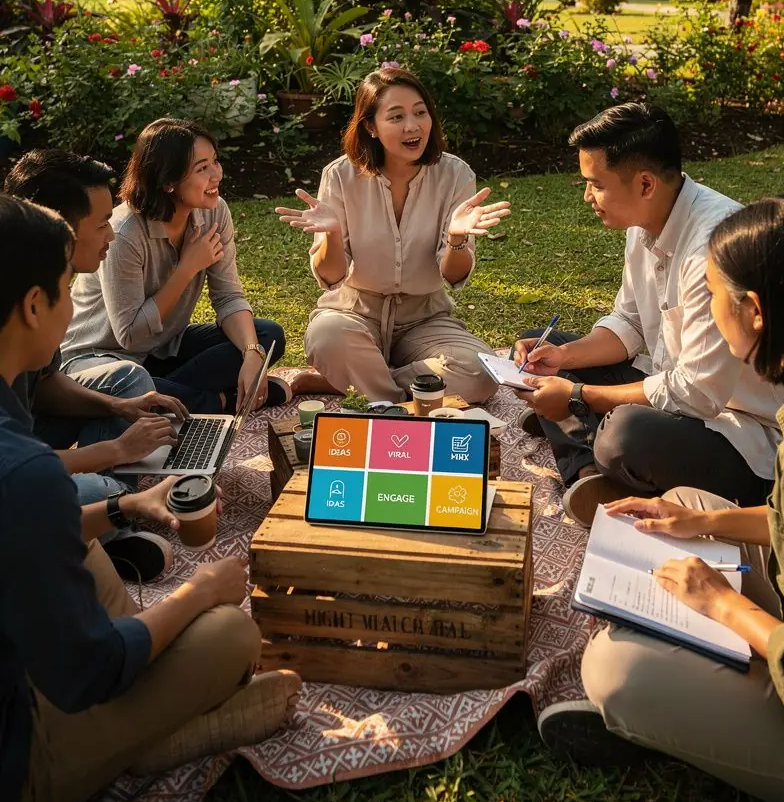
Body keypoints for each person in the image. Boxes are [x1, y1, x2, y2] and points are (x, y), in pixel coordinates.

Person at [0, 194, 300, 802]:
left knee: (83, 540)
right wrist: (200, 592)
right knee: (232, 633)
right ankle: (151, 738)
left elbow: (23, 533)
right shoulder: (25, 471)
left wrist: (123, 510)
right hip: (15, 768)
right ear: (33, 306)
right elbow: (93, 671)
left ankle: (137, 723)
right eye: (65, 289)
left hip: (25, 662)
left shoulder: (18, 449)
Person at [538, 195, 784, 802]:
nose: (706, 315)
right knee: (679, 506)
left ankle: (662, 715)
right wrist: (707, 521)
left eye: (713, 296)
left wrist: (722, 603)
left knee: (614, 670)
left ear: (754, 311)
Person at [514, 103, 784, 527]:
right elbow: (630, 323)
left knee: (625, 435)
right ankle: (589, 471)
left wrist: (579, 395)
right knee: (548, 349)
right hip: (671, 389)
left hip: (740, 431)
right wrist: (564, 359)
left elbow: (696, 393)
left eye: (595, 185)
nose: (587, 197)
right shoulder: (644, 221)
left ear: (644, 183)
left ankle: (581, 436)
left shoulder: (716, 248)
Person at [4, 149, 189, 580]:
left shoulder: (35, 292)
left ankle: (103, 523)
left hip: (27, 446)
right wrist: (115, 451)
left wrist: (116, 407)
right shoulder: (29, 305)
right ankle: (108, 521)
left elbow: (44, 384)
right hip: (17, 474)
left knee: (127, 380)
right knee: (84, 490)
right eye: (103, 223)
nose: (112, 235)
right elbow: (16, 467)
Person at [276, 66, 510, 404]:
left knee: (480, 373)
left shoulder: (455, 174)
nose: (412, 126)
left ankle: (359, 383)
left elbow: (452, 275)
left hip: (425, 319)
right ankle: (402, 393)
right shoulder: (340, 176)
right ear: (370, 126)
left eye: (420, 113)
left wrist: (457, 238)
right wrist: (332, 235)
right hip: (355, 314)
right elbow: (331, 277)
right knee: (327, 336)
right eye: (397, 116)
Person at [62, 118, 289, 415]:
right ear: (168, 181)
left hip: (163, 349)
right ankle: (218, 401)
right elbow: (130, 336)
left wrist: (251, 353)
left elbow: (228, 297)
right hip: (102, 359)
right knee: (132, 382)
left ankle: (166, 396)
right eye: (202, 168)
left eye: (215, 161)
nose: (216, 174)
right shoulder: (123, 233)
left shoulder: (214, 213)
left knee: (268, 335)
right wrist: (187, 268)